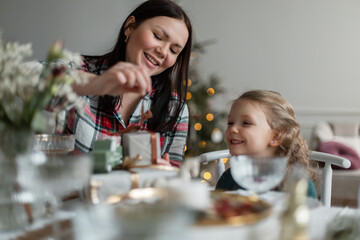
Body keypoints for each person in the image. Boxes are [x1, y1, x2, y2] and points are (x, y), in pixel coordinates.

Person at [48, 0, 192, 167]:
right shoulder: (79, 69)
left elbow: (173, 175)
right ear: (130, 27)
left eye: (174, 50)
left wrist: (166, 176)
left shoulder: (175, 109)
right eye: (158, 36)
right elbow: (21, 80)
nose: (163, 52)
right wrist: (95, 83)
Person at [215, 90, 318, 199]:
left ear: (276, 136)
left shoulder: (299, 185)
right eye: (230, 123)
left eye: (246, 123)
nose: (233, 129)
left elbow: (309, 215)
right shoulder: (229, 178)